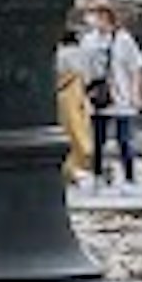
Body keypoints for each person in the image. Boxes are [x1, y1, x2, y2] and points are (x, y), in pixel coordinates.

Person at [82, 2, 142, 187]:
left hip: (120, 94)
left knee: (124, 139)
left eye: (99, 15)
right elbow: (83, 69)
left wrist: (136, 93)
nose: (95, 19)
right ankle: (98, 174)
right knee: (97, 139)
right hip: (97, 96)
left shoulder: (123, 39)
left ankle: (129, 177)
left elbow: (136, 67)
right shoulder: (88, 41)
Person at [54, 26, 91, 187]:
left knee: (68, 130)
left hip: (63, 96)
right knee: (80, 129)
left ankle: (69, 167)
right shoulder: (82, 54)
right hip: (78, 94)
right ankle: (83, 162)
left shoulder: (60, 54)